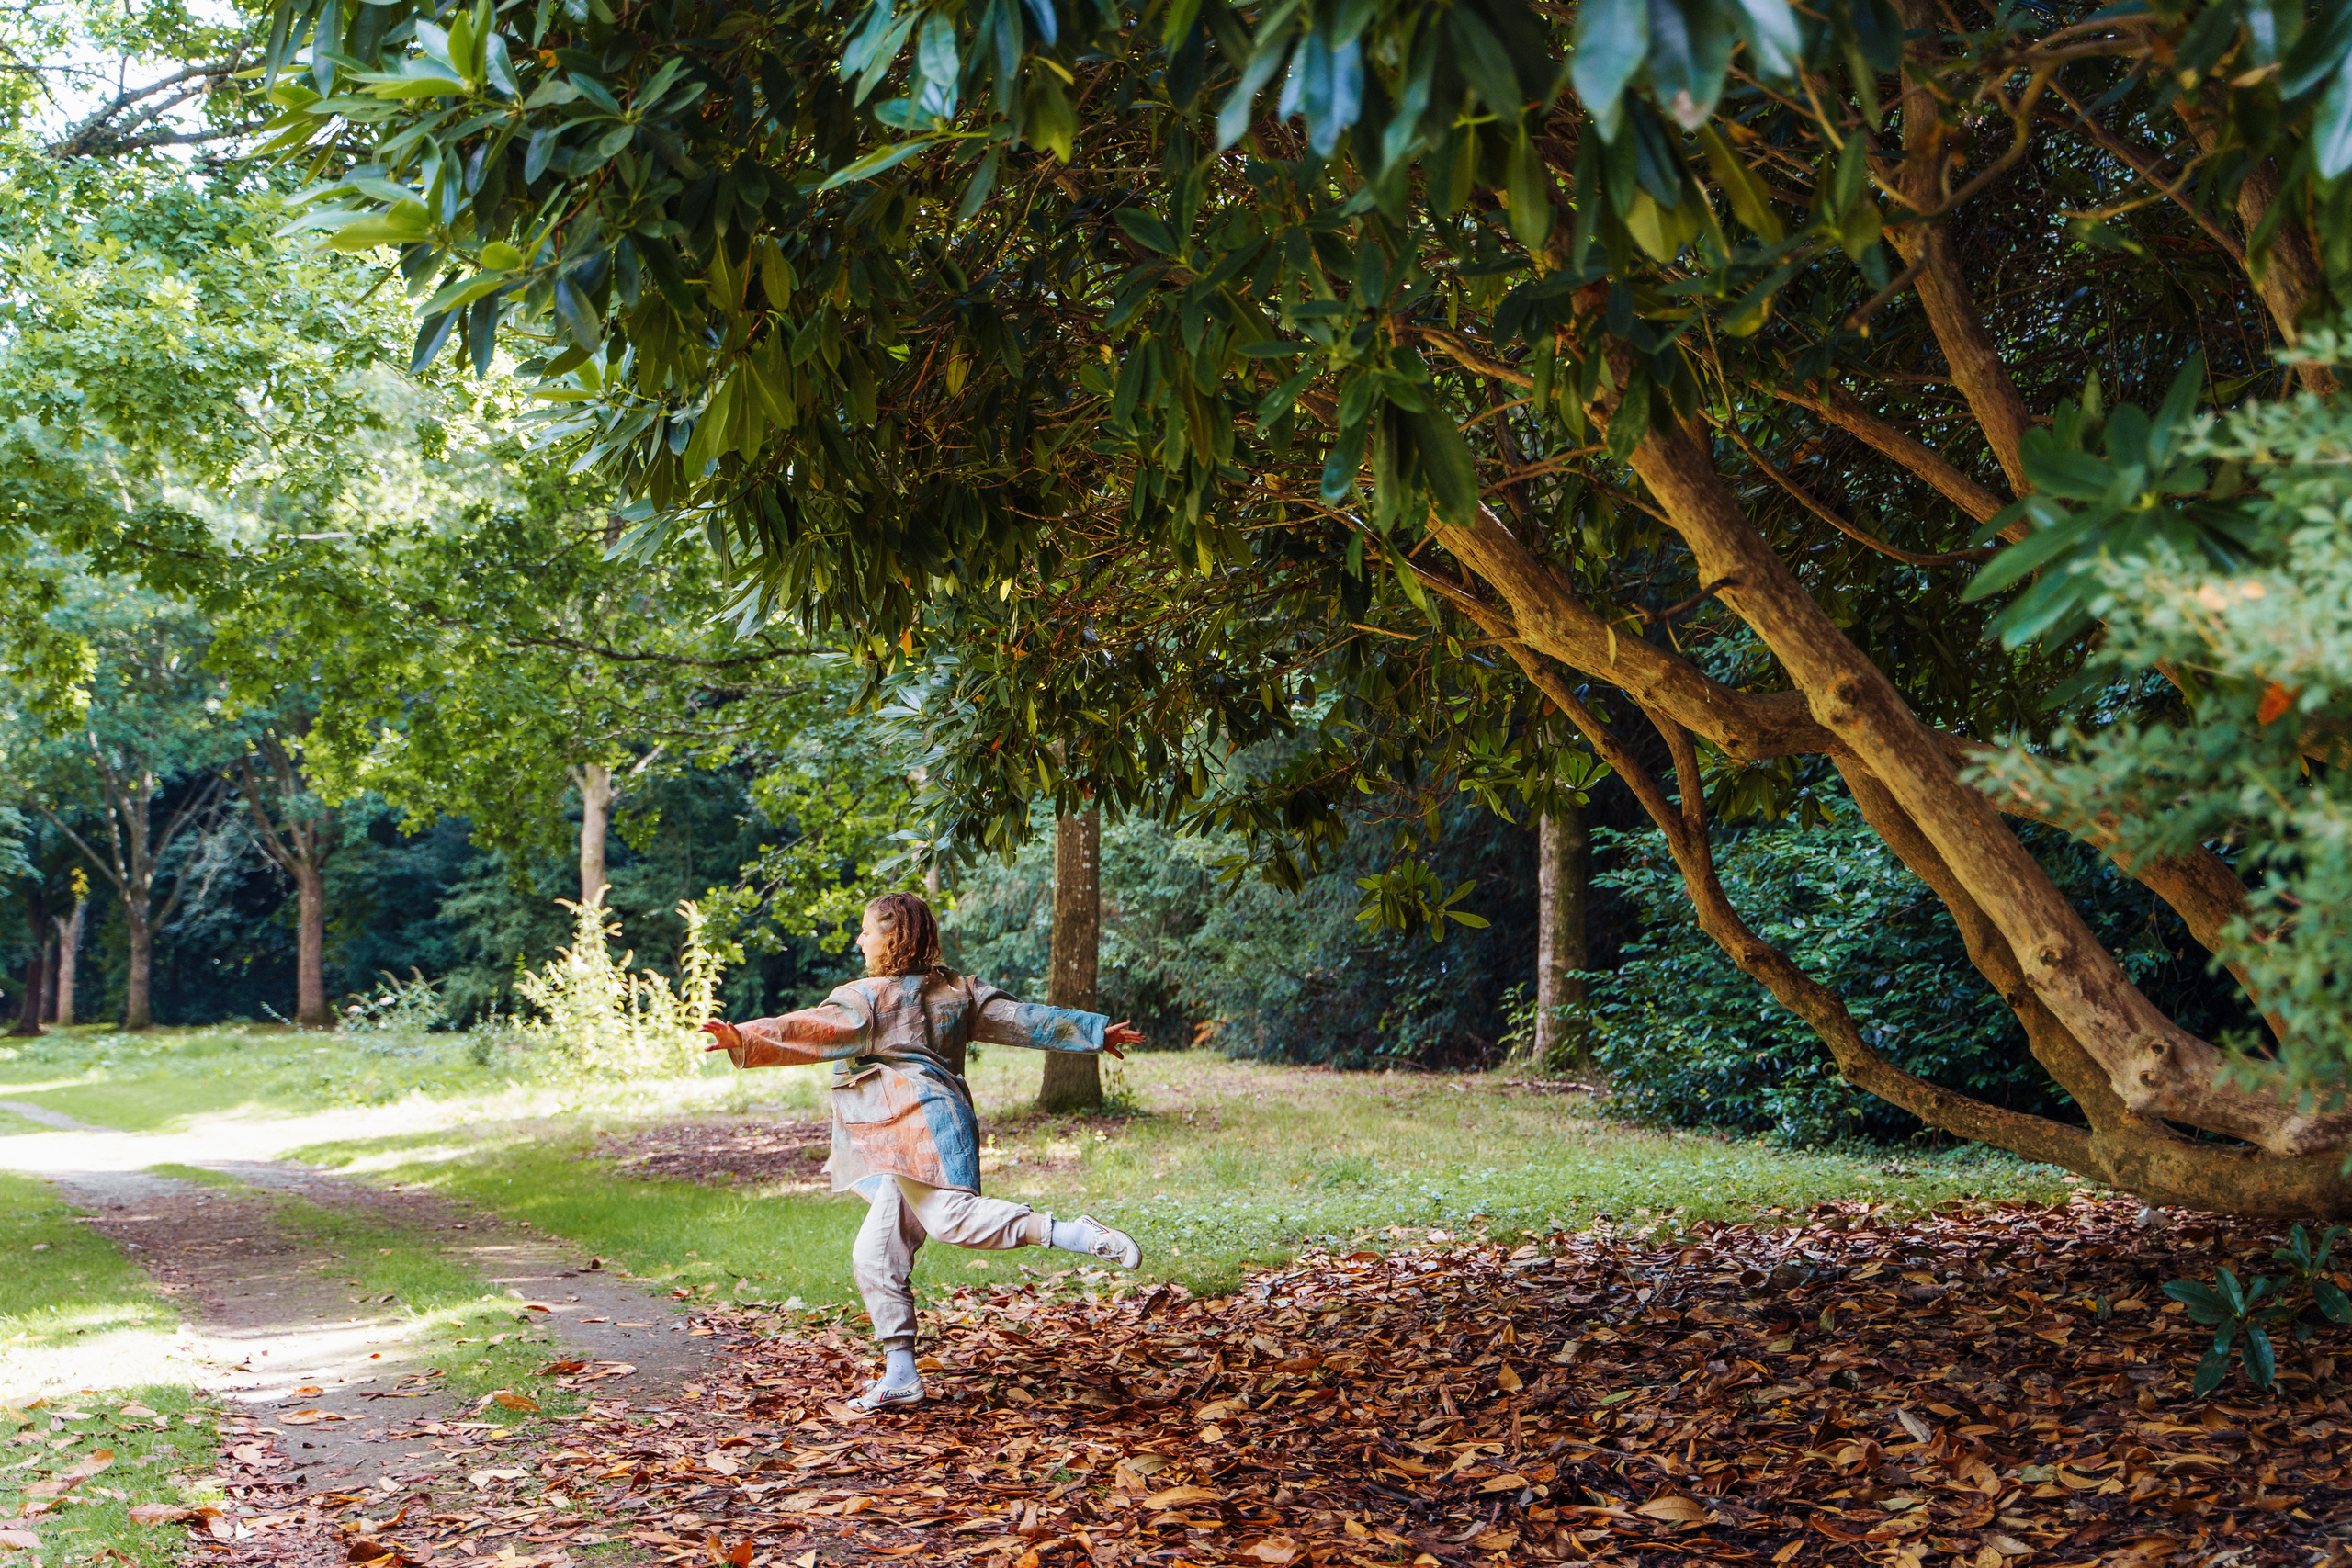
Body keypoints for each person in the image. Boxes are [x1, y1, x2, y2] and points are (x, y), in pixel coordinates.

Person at [700, 891, 1145, 1411]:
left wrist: (744, 1037)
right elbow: (1024, 1018)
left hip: (919, 1127)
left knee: (952, 1220)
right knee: (875, 1253)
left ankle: (1073, 1233)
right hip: (914, 1130)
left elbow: (812, 1030)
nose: (860, 940)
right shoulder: (959, 990)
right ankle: (901, 1376)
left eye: (866, 930)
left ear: (892, 936)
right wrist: (1093, 1031)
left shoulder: (867, 999)